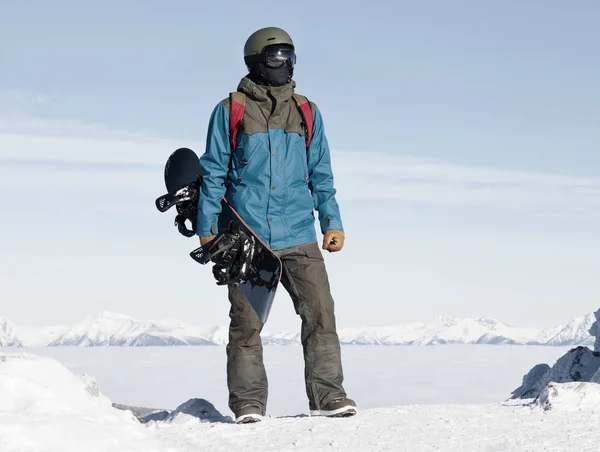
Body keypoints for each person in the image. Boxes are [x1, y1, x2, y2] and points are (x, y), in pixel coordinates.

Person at [196, 26, 356, 424]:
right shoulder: (230, 109)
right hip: (248, 237)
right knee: (246, 325)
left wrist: (331, 221)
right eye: (275, 57)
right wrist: (207, 226)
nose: (283, 64)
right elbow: (213, 170)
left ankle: (329, 397)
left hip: (299, 232)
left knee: (321, 315)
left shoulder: (306, 111)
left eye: (289, 56)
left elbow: (321, 172)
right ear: (255, 61)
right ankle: (248, 404)